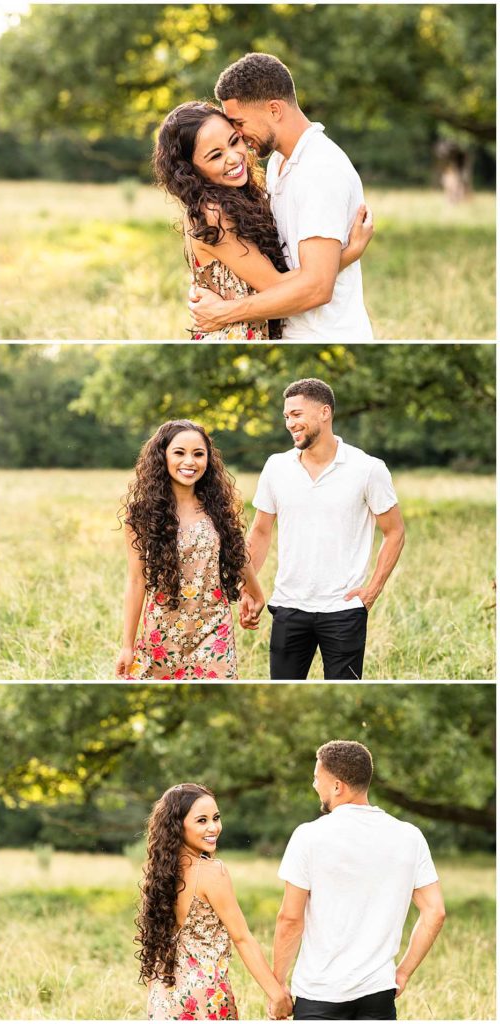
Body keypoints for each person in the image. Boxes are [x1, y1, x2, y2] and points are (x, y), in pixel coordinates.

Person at [189, 53, 374, 341]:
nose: (236, 134)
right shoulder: (278, 163)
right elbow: (289, 271)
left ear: (274, 110)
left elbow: (316, 287)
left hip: (323, 334)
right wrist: (347, 255)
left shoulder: (320, 170)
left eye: (238, 122)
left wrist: (223, 312)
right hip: (290, 331)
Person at [239, 378, 405, 680]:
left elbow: (394, 532)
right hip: (289, 607)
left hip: (344, 611)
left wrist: (372, 591)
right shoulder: (276, 466)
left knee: (346, 692)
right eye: (287, 416)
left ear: (324, 412)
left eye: (297, 414)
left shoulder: (368, 468)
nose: (290, 423)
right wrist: (249, 589)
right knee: (283, 696)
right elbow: (261, 531)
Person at [271, 740, 446, 1021]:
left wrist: (278, 986)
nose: (314, 785)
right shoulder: (409, 836)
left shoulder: (308, 836)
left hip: (319, 995)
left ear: (338, 786)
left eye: (318, 779)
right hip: (378, 994)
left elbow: (290, 919)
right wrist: (402, 972)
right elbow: (435, 912)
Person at [115, 420, 263, 680]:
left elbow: (239, 554)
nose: (190, 462)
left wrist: (256, 593)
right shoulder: (141, 515)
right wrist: (127, 646)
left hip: (213, 627)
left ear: (208, 459)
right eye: (179, 452)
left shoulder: (218, 508)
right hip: (162, 631)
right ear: (163, 456)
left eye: (198, 454)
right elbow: (136, 580)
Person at [137, 782, 293, 1021]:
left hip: (163, 996)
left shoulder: (160, 872)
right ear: (178, 826)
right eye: (202, 820)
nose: (213, 827)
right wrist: (277, 994)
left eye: (216, 818)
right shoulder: (212, 872)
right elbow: (242, 938)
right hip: (204, 996)